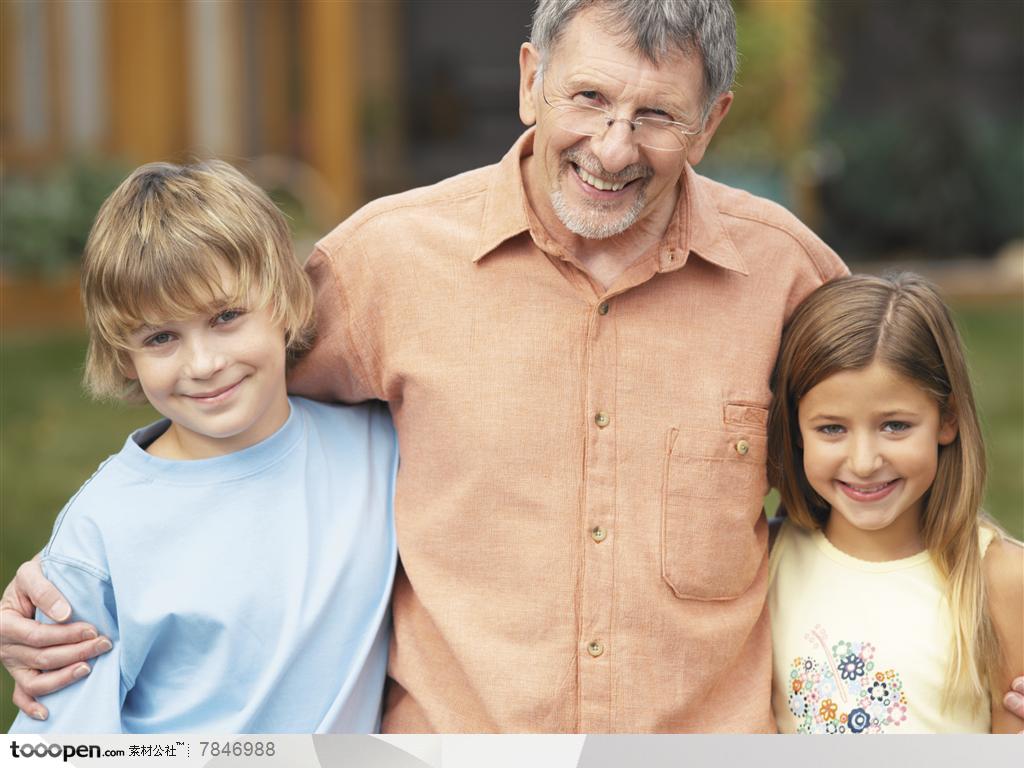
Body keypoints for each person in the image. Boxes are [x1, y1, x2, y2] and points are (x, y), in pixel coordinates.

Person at [4, 0, 1024, 732]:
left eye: (658, 116)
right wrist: (83, 584)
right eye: (587, 97)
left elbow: (882, 452)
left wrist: (1004, 598)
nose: (613, 148)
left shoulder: (785, 272)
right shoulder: (385, 262)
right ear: (531, 76)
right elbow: (216, 412)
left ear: (711, 123)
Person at [7, 161, 398, 732]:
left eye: (226, 317)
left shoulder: (377, 446)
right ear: (125, 357)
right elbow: (58, 745)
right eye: (161, 337)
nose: (204, 364)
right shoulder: (100, 537)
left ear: (285, 303)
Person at [766, 273, 1023, 734]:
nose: (864, 462)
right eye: (831, 429)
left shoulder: (1001, 579)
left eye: (895, 426)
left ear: (947, 419)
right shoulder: (765, 562)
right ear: (796, 431)